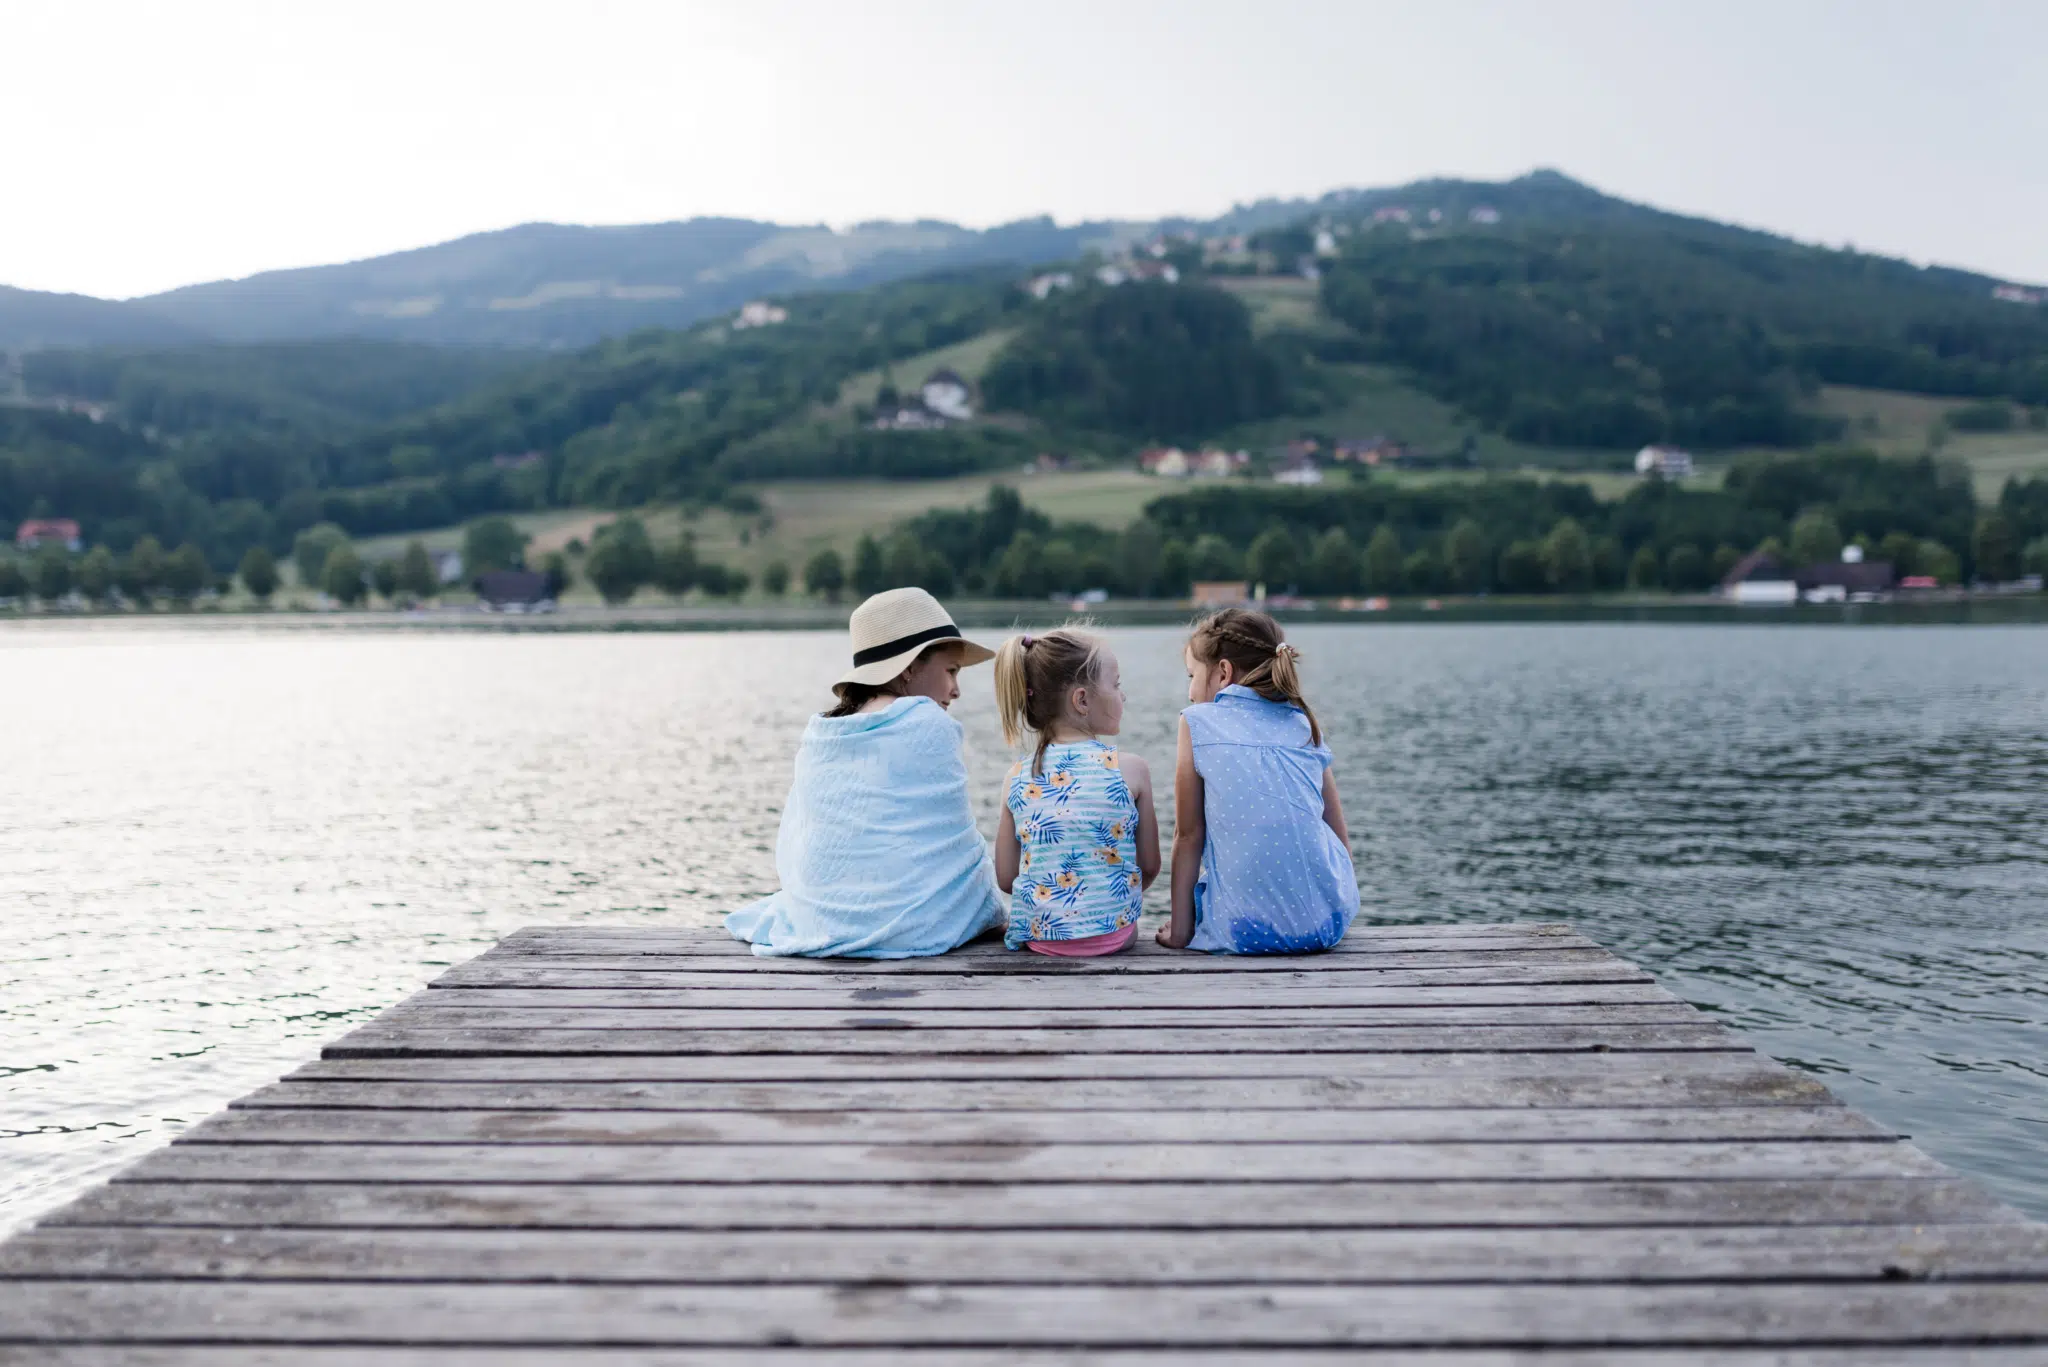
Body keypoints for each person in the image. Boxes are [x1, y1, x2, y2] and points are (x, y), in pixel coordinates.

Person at [724, 587, 1005, 957]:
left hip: (824, 919)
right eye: (951, 671)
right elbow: (957, 847)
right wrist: (988, 908)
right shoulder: (929, 724)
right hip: (913, 930)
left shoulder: (822, 732)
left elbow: (805, 839)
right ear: (908, 669)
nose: (956, 690)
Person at [1157, 608, 1357, 953]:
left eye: (1192, 675)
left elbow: (1188, 836)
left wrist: (1179, 931)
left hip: (1243, 933)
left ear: (1223, 672)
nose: (1190, 691)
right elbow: (1338, 833)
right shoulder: (1304, 723)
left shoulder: (1197, 721)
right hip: (1328, 925)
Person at [991, 627, 1160, 956]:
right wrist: (1105, 904)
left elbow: (1006, 877)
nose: (1122, 696)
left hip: (1040, 940)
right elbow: (1150, 865)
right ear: (1082, 699)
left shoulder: (1016, 777)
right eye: (1116, 684)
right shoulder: (1132, 769)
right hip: (1114, 937)